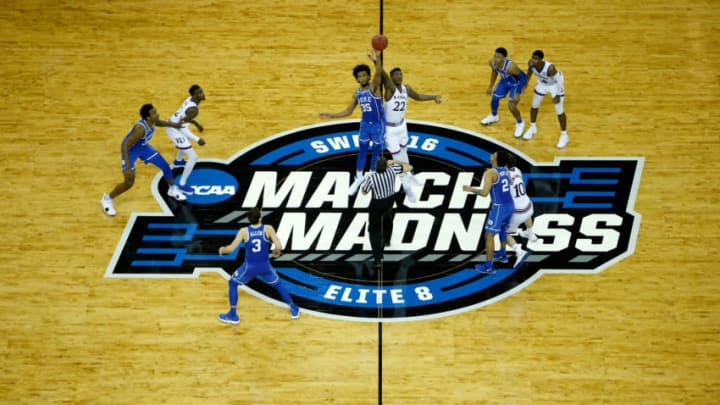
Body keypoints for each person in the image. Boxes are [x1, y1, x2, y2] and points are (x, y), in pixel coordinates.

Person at [101, 104, 186, 216]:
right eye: (154, 113)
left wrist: (175, 124)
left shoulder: (152, 121)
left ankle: (172, 189)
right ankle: (107, 199)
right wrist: (127, 166)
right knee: (129, 182)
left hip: (143, 147)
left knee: (165, 166)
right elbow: (125, 145)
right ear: (148, 118)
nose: (157, 114)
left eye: (156, 111)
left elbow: (159, 122)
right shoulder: (140, 129)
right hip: (130, 151)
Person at [319, 50, 386, 196]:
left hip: (378, 125)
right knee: (362, 151)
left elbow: (379, 73)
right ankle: (359, 178)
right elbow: (348, 111)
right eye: (359, 76)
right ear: (357, 79)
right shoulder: (357, 93)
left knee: (375, 152)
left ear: (368, 76)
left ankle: (371, 177)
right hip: (365, 125)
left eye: (364, 75)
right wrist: (331, 115)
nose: (362, 77)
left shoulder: (374, 87)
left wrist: (377, 59)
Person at [217, 207, 299, 324]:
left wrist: (221, 250)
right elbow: (279, 246)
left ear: (249, 219)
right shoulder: (268, 228)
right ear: (260, 218)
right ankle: (293, 308)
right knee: (278, 284)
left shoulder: (244, 231)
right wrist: (276, 253)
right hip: (265, 267)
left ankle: (233, 315)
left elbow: (230, 249)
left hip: (249, 268)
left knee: (232, 283)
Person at [382, 66, 442, 202]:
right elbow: (383, 74)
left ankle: (409, 174)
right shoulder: (390, 90)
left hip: (402, 126)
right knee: (397, 159)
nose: (399, 77)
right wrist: (377, 60)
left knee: (404, 153)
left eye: (400, 74)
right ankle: (407, 188)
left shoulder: (406, 89)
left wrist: (433, 97)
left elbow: (419, 96)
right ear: (391, 78)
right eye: (395, 75)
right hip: (390, 130)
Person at [462, 151, 515, 274]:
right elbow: (499, 179)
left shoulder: (490, 173)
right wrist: (490, 174)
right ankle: (502, 254)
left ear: (496, 158)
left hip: (499, 207)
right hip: (510, 205)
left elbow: (484, 193)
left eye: (493, 154)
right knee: (503, 229)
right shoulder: (505, 170)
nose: (491, 155)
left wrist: (470, 189)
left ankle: (489, 266)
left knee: (489, 235)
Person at [360, 157, 413, 268]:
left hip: (377, 203)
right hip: (389, 200)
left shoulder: (371, 177)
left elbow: (364, 192)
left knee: (373, 230)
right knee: (388, 217)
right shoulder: (392, 170)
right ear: (386, 166)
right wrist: (394, 162)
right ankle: (387, 239)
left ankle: (378, 258)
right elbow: (409, 167)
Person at [521, 50, 569, 148]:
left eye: (536, 58)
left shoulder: (550, 68)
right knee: (534, 106)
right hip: (542, 84)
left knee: (559, 111)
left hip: (555, 85)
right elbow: (529, 71)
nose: (533, 60)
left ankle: (564, 135)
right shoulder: (531, 63)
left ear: (541, 60)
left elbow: (560, 80)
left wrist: (558, 95)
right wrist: (525, 83)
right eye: (532, 57)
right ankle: (533, 127)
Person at [165, 84, 207, 194]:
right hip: (174, 129)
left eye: (201, 91)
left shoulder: (189, 100)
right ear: (193, 95)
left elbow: (185, 118)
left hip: (174, 123)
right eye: (199, 93)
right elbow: (182, 127)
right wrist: (197, 139)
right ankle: (182, 184)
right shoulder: (193, 109)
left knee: (186, 140)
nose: (202, 94)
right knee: (193, 157)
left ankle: (178, 161)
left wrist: (197, 124)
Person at [479, 47, 528, 138]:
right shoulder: (492, 62)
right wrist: (490, 86)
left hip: (515, 84)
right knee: (494, 99)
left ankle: (520, 122)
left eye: (498, 57)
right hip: (505, 81)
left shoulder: (511, 67)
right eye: (495, 56)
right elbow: (494, 71)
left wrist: (518, 92)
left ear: (504, 58)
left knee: (512, 107)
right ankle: (494, 116)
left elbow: (524, 77)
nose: (496, 59)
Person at [504, 153, 539, 261]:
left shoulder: (503, 177)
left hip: (517, 212)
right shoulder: (517, 170)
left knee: (501, 232)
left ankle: (518, 251)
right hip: (528, 205)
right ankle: (530, 233)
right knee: (525, 214)